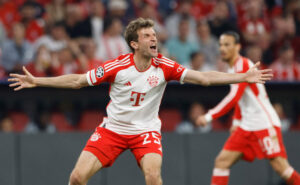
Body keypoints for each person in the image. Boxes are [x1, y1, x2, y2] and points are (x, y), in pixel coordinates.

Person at [8, 18, 272, 185]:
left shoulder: (164, 66)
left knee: (153, 176)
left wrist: (243, 76)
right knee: (76, 178)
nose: (154, 38)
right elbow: (77, 81)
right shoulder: (116, 66)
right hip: (112, 130)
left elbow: (203, 77)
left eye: (154, 34)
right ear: (134, 44)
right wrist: (38, 81)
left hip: (145, 131)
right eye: (147, 36)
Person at [196, 31, 300, 185]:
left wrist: (208, 116)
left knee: (281, 168)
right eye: (220, 45)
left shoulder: (243, 64)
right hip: (247, 125)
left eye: (227, 44)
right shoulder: (232, 68)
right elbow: (242, 99)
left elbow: (234, 97)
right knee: (222, 162)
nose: (222, 48)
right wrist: (237, 122)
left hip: (264, 123)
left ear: (237, 47)